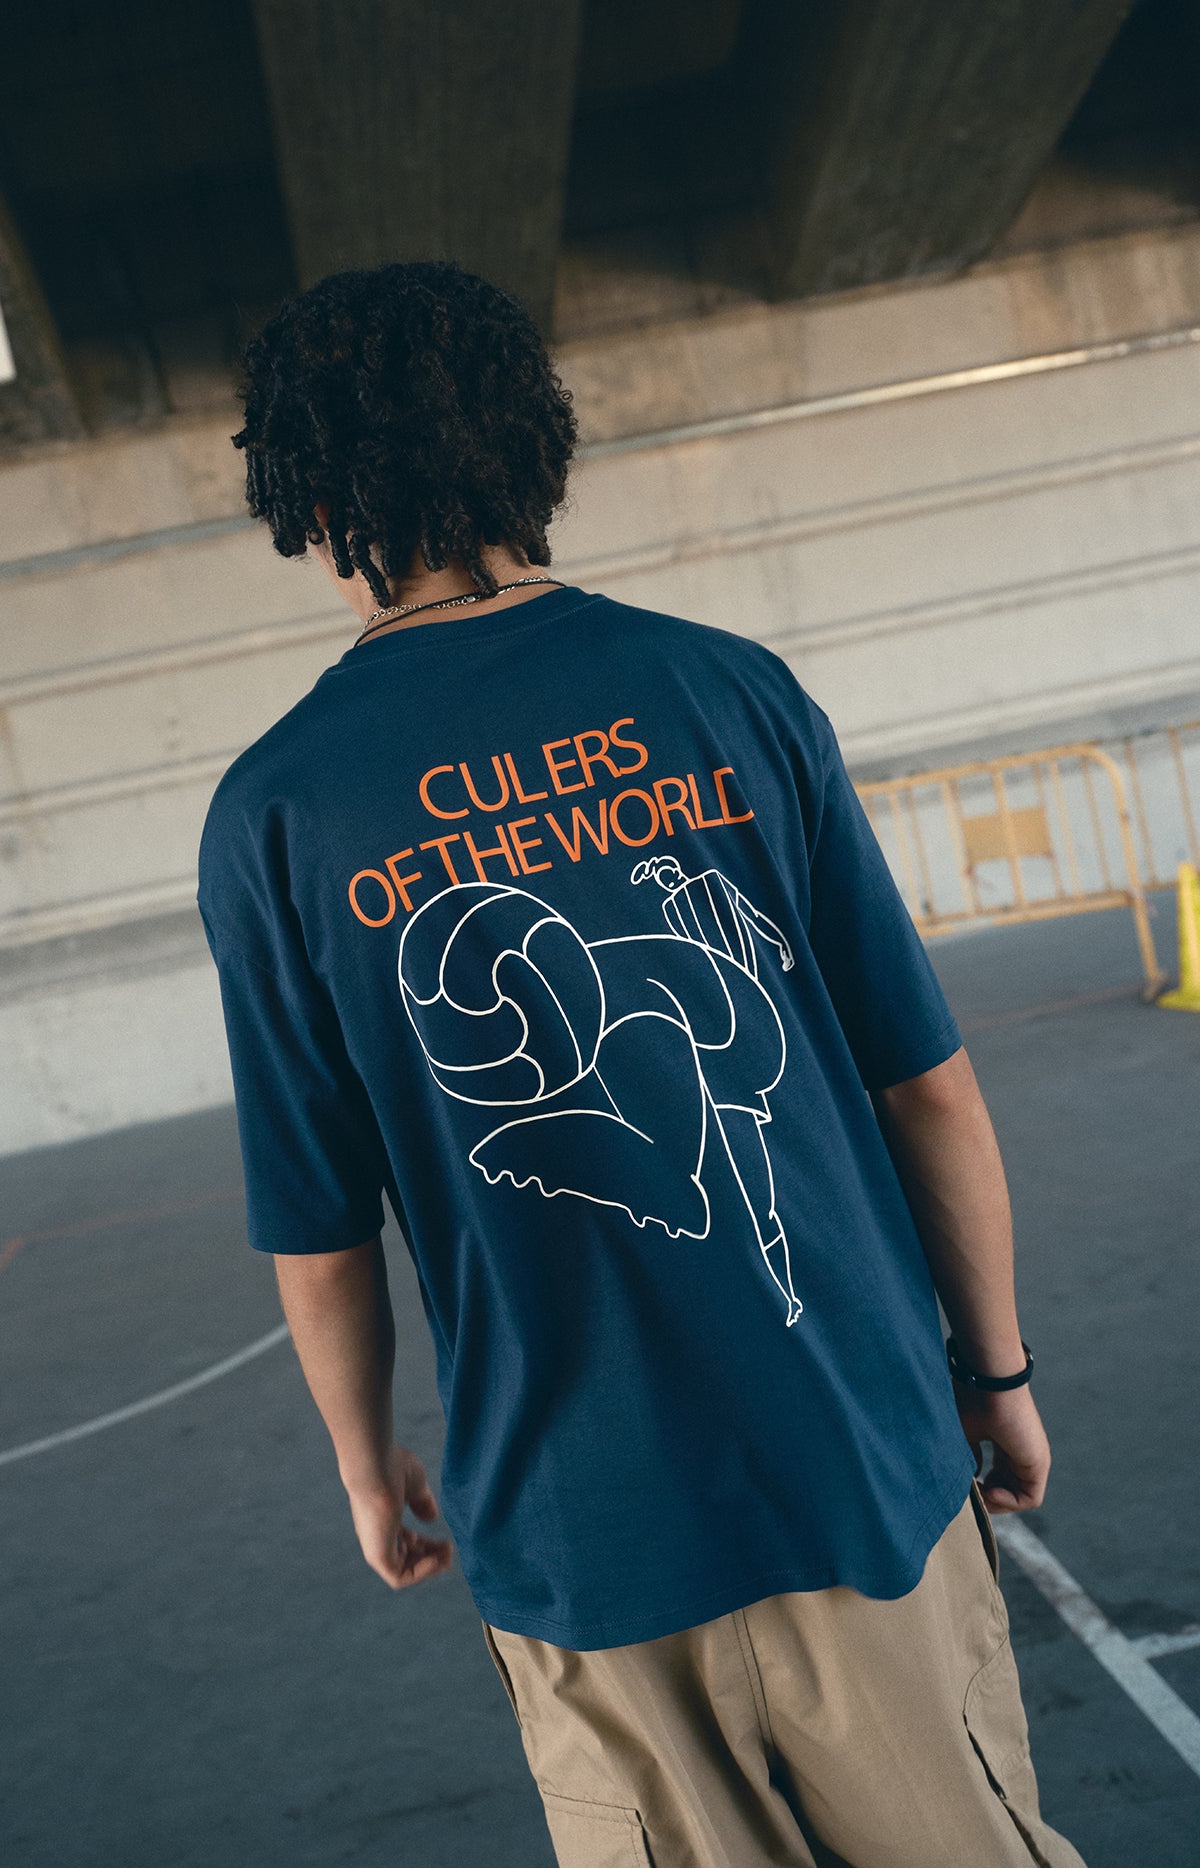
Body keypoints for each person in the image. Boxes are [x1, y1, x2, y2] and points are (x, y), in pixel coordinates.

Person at [196, 259, 1086, 1867]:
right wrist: (998, 1371)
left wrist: (363, 1464)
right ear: (533, 451)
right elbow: (925, 1085)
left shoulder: (278, 812)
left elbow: (321, 1240)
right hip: (856, 1462)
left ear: (316, 503)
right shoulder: (723, 690)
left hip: (579, 1535)